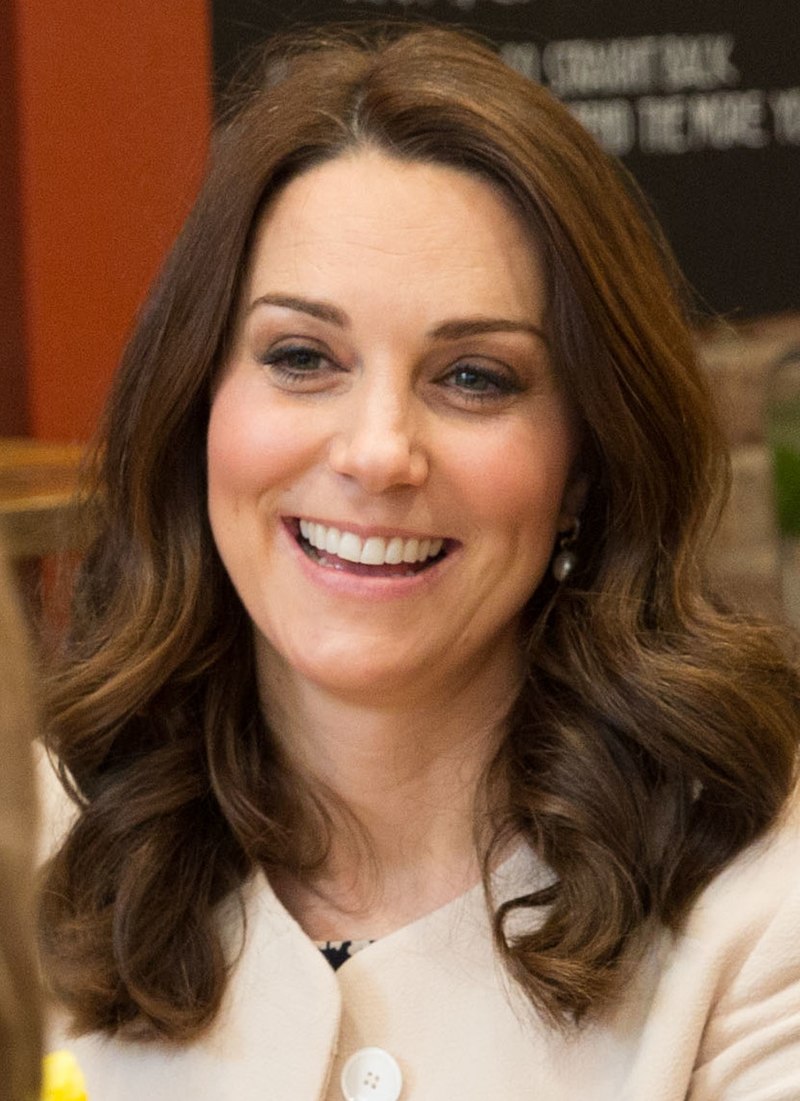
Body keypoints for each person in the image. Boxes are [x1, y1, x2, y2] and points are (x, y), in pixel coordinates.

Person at [40, 25, 800, 1100]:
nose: (377, 452)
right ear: (198, 406)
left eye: (474, 377)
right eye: (302, 357)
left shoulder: (764, 899)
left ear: (584, 463)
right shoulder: (36, 844)